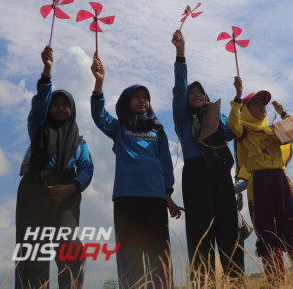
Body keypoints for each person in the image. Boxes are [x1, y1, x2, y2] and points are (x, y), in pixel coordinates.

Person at [90, 54, 180, 288]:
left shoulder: (158, 131)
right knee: (130, 255)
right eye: (137, 97)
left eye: (146, 97)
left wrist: (168, 195)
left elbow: (165, 165)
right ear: (126, 101)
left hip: (155, 198)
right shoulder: (119, 128)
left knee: (159, 255)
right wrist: (99, 82)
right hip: (126, 198)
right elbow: (99, 117)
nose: (142, 101)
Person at [16, 46, 94, 288]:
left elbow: (87, 169)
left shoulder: (80, 143)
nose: (60, 108)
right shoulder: (39, 129)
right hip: (34, 193)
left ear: (72, 110)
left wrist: (71, 187)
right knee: (33, 252)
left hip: (66, 196)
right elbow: (39, 104)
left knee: (70, 248)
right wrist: (46, 73)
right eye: (55, 104)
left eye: (65, 104)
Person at [171, 29, 242, 283]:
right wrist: (181, 53)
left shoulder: (214, 114)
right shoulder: (182, 118)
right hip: (196, 174)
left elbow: (229, 135)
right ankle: (204, 283)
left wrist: (218, 114)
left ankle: (236, 282)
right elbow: (180, 89)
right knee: (200, 234)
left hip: (221, 174)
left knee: (229, 231)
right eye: (193, 94)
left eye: (201, 92)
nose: (197, 95)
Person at [229, 76, 293, 285]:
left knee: (291, 225)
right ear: (246, 108)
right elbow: (233, 124)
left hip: (280, 179)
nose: (263, 107)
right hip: (259, 181)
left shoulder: (273, 130)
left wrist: (283, 113)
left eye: (264, 104)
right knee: (266, 231)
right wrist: (237, 96)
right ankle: (275, 281)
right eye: (257, 103)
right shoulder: (243, 128)